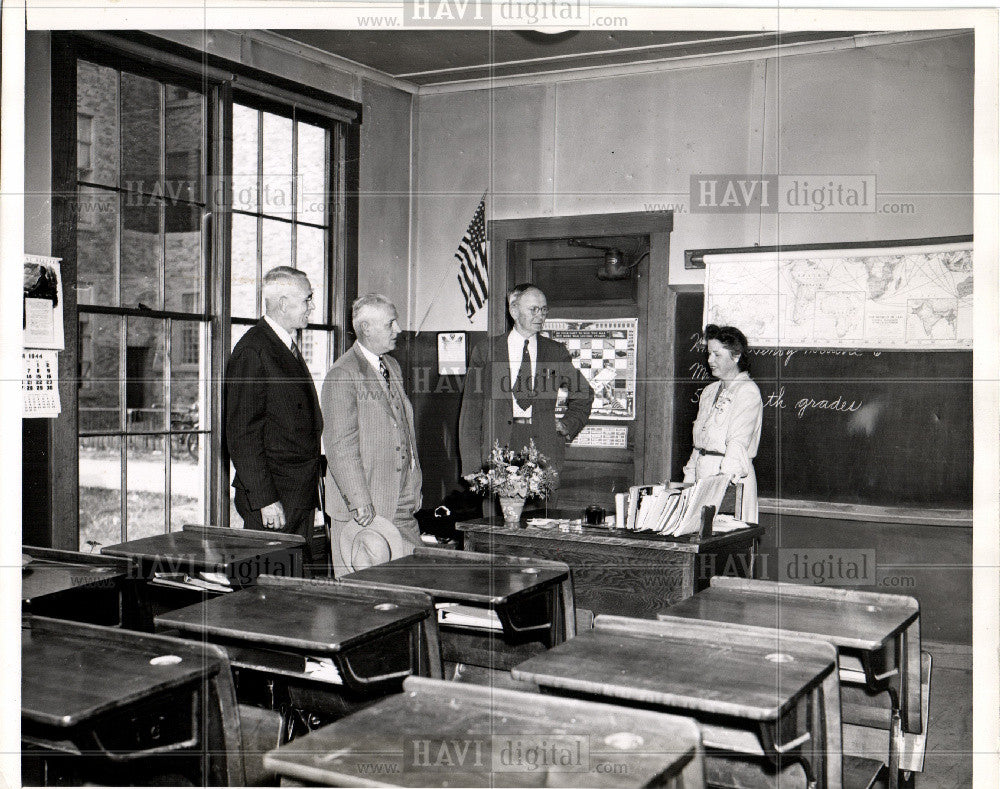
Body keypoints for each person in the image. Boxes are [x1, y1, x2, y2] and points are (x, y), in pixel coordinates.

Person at [458, 283, 594, 505]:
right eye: (534, 309)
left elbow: (584, 393)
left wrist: (568, 424)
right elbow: (471, 411)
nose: (540, 315)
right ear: (513, 311)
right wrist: (473, 466)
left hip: (543, 455)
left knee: (542, 530)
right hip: (497, 454)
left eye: (544, 309)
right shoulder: (487, 351)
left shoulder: (555, 351)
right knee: (498, 530)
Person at [225, 266, 323, 563]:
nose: (312, 306)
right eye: (307, 299)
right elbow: (242, 434)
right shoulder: (254, 350)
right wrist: (266, 499)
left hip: (296, 492)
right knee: (267, 590)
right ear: (283, 303)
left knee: (290, 582)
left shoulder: (284, 345)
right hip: (274, 498)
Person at [322, 293, 422, 578]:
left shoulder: (391, 365)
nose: (398, 330)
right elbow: (340, 445)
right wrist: (359, 500)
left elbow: (403, 427)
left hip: (401, 499)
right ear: (366, 328)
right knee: (364, 592)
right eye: (391, 323)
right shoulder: (342, 374)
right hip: (364, 504)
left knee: (410, 583)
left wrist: (414, 482)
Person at [681, 324, 763, 524]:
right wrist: (688, 482)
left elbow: (737, 444)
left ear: (735, 356)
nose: (709, 361)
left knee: (724, 544)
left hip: (730, 483)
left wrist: (721, 487)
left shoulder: (747, 392)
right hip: (702, 481)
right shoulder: (709, 392)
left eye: (717, 355)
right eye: (709, 354)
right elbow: (699, 446)